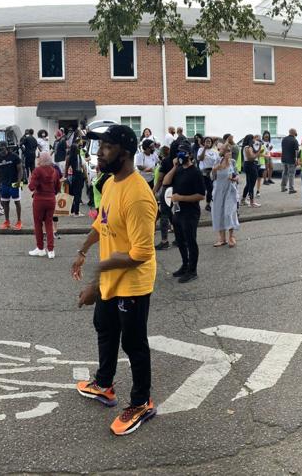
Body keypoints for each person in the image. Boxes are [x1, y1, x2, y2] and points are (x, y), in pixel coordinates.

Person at [71, 124, 158, 436]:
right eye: (100, 146)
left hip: (132, 283)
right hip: (110, 278)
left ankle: (142, 402)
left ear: (126, 153)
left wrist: (96, 283)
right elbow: (102, 223)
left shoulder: (138, 197)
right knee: (105, 327)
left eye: (107, 147)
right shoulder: (110, 183)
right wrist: (83, 250)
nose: (99, 153)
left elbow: (141, 253)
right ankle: (104, 384)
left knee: (133, 343)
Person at [163, 141, 206, 283]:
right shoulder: (179, 169)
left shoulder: (195, 172)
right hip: (177, 211)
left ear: (190, 155)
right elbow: (166, 182)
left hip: (190, 213)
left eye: (184, 153)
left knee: (190, 241)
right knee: (180, 241)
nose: (180, 155)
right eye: (179, 152)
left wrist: (181, 198)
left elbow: (201, 195)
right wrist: (175, 166)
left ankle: (192, 271)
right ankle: (185, 265)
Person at [28, 151, 59, 259]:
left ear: (40, 159)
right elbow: (58, 188)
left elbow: (31, 187)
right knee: (49, 224)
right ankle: (51, 250)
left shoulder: (37, 170)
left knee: (38, 224)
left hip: (39, 200)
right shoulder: (55, 171)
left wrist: (31, 181)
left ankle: (40, 248)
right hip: (51, 199)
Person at [211, 142, 239, 247]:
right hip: (219, 190)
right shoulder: (217, 161)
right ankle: (222, 239)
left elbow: (237, 176)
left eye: (230, 151)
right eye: (226, 151)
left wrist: (235, 178)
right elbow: (212, 176)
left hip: (230, 191)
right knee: (219, 213)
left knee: (229, 213)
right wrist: (216, 168)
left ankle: (231, 237)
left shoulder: (233, 162)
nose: (229, 153)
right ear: (222, 152)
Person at [0, 142, 23, 230]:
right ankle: (7, 221)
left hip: (15, 182)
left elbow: (20, 170)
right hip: (4, 183)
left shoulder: (14, 156)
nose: (1, 150)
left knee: (17, 202)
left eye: (2, 148)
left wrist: (19, 182)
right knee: (5, 203)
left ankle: (19, 221)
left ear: (6, 147)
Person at [152, 145, 173, 250]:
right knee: (172, 214)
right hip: (178, 189)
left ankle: (164, 241)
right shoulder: (177, 160)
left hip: (167, 190)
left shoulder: (165, 161)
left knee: (164, 214)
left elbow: (160, 179)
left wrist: (154, 191)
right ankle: (180, 239)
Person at [65, 140, 87, 217]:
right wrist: (86, 177)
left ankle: (71, 210)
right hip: (78, 176)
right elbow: (83, 167)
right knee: (77, 194)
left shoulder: (68, 157)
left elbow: (66, 167)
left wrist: (65, 177)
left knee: (71, 194)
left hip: (70, 177)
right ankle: (76, 212)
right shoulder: (79, 157)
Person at [197, 136, 219, 211]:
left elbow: (217, 161)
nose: (208, 143)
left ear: (212, 143)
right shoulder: (200, 150)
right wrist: (204, 149)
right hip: (204, 172)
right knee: (207, 189)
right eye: (206, 141)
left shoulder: (215, 151)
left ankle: (209, 204)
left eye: (209, 141)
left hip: (213, 171)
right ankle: (205, 204)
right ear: (204, 142)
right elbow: (200, 159)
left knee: (212, 189)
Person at [240, 135, 261, 207]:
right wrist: (259, 151)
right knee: (251, 184)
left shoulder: (246, 147)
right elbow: (251, 158)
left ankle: (243, 200)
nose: (254, 141)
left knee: (248, 183)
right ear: (250, 140)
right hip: (251, 165)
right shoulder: (248, 147)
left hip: (248, 165)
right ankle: (252, 202)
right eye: (253, 139)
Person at [279, 128, 299, 193]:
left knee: (285, 173)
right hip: (291, 160)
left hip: (284, 159)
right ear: (294, 133)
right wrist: (297, 159)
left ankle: (283, 187)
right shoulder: (294, 140)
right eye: (296, 132)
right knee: (291, 174)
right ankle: (291, 189)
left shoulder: (284, 139)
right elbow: (296, 151)